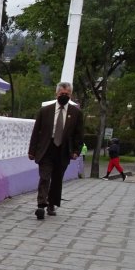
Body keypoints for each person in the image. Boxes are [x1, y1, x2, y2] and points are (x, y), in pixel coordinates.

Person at [28, 82, 84, 219]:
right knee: (45, 177)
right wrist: (32, 150)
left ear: (70, 95)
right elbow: (36, 132)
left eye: (67, 94)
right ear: (56, 94)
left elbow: (79, 133)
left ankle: (52, 203)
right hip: (47, 148)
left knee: (57, 179)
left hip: (64, 150)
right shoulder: (45, 111)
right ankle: (41, 204)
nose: (64, 96)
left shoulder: (76, 113)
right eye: (62, 94)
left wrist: (77, 150)